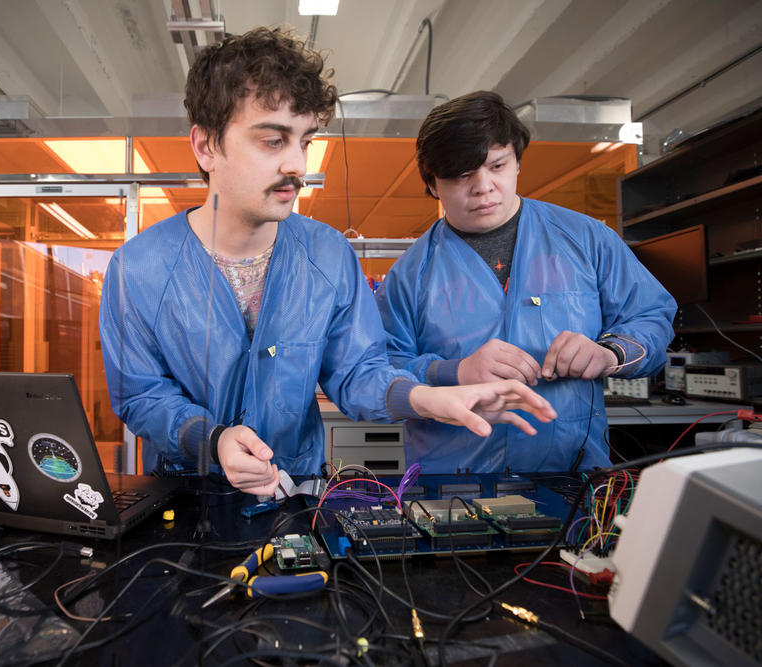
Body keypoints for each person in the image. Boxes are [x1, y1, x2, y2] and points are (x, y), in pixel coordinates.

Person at [99, 30, 556, 496]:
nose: (298, 164)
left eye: (306, 141)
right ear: (206, 146)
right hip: (185, 500)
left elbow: (357, 370)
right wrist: (212, 440)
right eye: (274, 141)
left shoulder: (328, 255)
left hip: (296, 493)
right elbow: (141, 395)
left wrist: (426, 398)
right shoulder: (137, 268)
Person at [376, 91, 677, 473]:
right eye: (462, 175)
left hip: (571, 477)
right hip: (452, 484)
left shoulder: (586, 240)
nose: (483, 186)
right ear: (433, 184)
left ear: (518, 162)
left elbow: (652, 317)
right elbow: (381, 368)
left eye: (497, 166)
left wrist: (610, 354)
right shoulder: (410, 273)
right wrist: (455, 372)